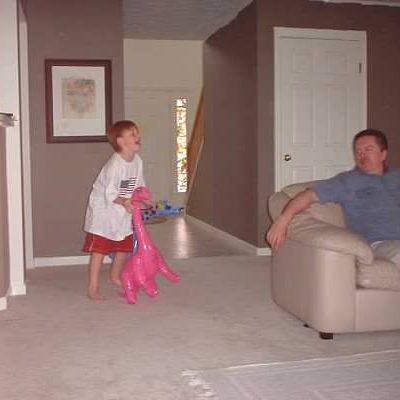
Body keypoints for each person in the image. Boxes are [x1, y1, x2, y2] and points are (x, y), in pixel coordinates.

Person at [266, 129, 400, 266]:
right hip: (383, 242)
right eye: (358, 151)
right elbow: (308, 196)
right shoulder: (348, 181)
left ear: (383, 154)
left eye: (368, 149)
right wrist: (282, 220)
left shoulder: (396, 176)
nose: (362, 155)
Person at [83, 120, 147, 301]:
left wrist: (145, 199)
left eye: (137, 133)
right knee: (100, 249)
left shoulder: (137, 161)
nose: (138, 137)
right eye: (132, 134)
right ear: (120, 142)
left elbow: (140, 185)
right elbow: (110, 193)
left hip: (123, 208)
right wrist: (125, 201)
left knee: (123, 245)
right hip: (104, 210)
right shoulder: (114, 165)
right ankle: (93, 287)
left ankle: (115, 275)